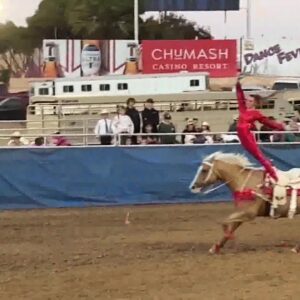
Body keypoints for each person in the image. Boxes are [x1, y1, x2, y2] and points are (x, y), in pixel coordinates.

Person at [236, 80, 285, 181]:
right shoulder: (243, 109)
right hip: (241, 137)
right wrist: (237, 84)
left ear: (255, 103)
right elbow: (239, 96)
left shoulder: (256, 113)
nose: (247, 102)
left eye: (250, 101)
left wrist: (279, 126)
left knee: (259, 156)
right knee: (258, 156)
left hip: (246, 136)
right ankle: (271, 168)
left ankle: (275, 177)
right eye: (247, 100)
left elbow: (266, 122)